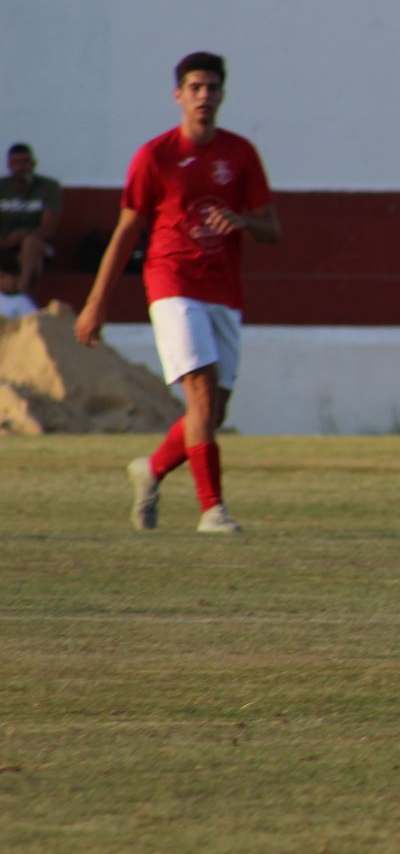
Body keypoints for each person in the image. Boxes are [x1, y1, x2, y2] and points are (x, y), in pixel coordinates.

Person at [75, 52, 280, 533]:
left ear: (222, 94)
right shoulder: (155, 156)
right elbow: (127, 231)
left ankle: (150, 469)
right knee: (202, 392)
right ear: (178, 95)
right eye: (195, 87)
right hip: (172, 284)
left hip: (224, 289)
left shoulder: (241, 154)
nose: (204, 95)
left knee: (212, 410)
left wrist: (243, 221)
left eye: (212, 87)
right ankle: (213, 510)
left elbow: (273, 228)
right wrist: (96, 302)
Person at [0, 142, 63, 296]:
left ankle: (21, 293)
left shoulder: (48, 187)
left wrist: (25, 235)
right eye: (16, 163)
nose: (21, 167)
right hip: (4, 244)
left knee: (30, 245)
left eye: (25, 162)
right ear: (9, 165)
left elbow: (48, 227)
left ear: (33, 163)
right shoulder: (2, 187)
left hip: (35, 245)